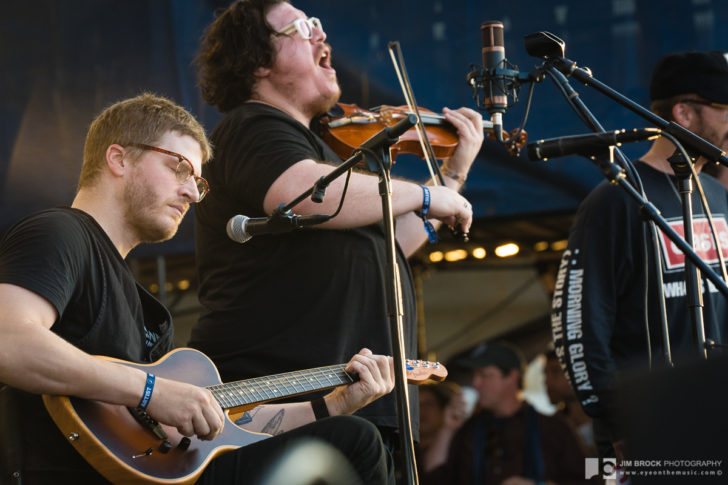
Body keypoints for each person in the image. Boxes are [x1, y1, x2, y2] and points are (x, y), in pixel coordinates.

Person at [0, 93, 396, 485]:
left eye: (197, 181)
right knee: (355, 443)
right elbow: (9, 341)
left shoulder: (143, 308)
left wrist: (329, 406)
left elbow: (220, 429)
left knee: (344, 435)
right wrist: (150, 389)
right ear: (118, 158)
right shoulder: (60, 233)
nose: (192, 192)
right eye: (179, 168)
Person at [190, 0, 484, 451]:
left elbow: (383, 251)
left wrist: (452, 177)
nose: (321, 36)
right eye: (303, 28)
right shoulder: (254, 126)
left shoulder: (324, 155)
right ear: (258, 60)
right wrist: (427, 194)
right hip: (282, 404)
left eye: (319, 25)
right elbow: (305, 193)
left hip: (358, 400)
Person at [550, 50, 728, 460]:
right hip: (638, 433)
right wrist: (618, 420)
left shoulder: (717, 193)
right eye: (723, 109)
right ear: (684, 112)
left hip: (711, 422)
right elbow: (576, 324)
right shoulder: (615, 199)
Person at [421, 342, 588, 485]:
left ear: (512, 376)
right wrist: (447, 430)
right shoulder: (468, 431)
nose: (476, 384)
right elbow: (432, 478)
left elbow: (593, 477)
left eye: (484, 375)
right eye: (475, 376)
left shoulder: (553, 427)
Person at [543, 350, 595, 456]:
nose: (547, 382)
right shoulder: (555, 427)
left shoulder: (609, 415)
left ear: (580, 373)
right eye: (545, 374)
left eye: (555, 372)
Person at [416, 382, 472, 475]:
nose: (421, 410)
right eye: (415, 404)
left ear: (444, 409)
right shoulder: (400, 455)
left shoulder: (460, 451)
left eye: (428, 404)